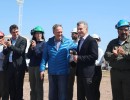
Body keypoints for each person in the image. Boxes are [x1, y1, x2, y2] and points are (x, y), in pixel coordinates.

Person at [40, 24, 76, 100]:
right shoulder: (48, 43)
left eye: (61, 32)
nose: (60, 34)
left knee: (62, 95)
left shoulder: (68, 42)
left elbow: (80, 48)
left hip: (63, 73)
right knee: (52, 95)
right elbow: (44, 58)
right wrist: (42, 69)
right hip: (52, 73)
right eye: (58, 32)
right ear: (53, 32)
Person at [104, 19, 130, 100]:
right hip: (115, 74)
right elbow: (106, 56)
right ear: (117, 31)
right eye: (121, 30)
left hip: (128, 73)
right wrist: (114, 55)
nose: (123, 32)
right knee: (117, 96)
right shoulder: (112, 43)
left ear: (129, 30)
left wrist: (124, 54)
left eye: (126, 29)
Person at [73, 21, 98, 100]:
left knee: (90, 96)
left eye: (81, 29)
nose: (79, 31)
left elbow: (94, 56)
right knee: (80, 97)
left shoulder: (92, 41)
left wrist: (79, 58)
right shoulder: (80, 41)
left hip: (88, 75)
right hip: (80, 74)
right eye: (78, 29)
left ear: (86, 29)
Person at [2, 24, 27, 100]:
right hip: (9, 66)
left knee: (18, 86)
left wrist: (10, 46)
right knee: (11, 87)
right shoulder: (9, 40)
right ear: (10, 32)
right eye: (13, 32)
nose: (15, 33)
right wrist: (5, 48)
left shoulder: (23, 40)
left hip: (18, 67)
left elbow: (20, 51)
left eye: (17, 31)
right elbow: (5, 53)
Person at [27, 26, 45, 100]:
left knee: (39, 87)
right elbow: (28, 56)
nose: (38, 35)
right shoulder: (32, 43)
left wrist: (34, 48)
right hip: (31, 67)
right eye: (37, 33)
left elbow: (40, 56)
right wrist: (31, 48)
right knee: (32, 87)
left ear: (42, 34)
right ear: (34, 35)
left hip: (39, 67)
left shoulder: (44, 44)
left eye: (40, 33)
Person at [92, 34, 104, 100]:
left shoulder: (100, 50)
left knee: (95, 88)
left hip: (96, 70)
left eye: (96, 40)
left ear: (98, 41)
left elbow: (98, 62)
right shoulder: (89, 50)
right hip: (90, 71)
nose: (94, 41)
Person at [68, 27, 79, 100]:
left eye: (73, 34)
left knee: (80, 85)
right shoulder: (69, 42)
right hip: (71, 65)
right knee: (69, 84)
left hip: (79, 65)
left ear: (77, 34)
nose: (72, 35)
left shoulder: (81, 42)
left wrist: (75, 52)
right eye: (72, 34)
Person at [0, 31, 8, 100]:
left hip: (3, 71)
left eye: (1, 37)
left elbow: (4, 56)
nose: (0, 39)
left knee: (4, 89)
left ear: (3, 37)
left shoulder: (6, 46)